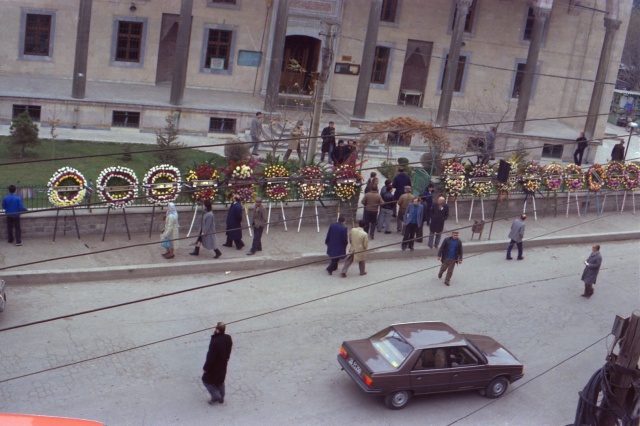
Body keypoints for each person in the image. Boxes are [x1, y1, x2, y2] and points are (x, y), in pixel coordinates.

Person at [202, 322, 233, 405]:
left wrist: (206, 368)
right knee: (220, 380)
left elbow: (210, 357)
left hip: (214, 366)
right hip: (223, 364)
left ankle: (216, 396)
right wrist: (227, 358)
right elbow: (229, 349)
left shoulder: (215, 342)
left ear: (217, 330)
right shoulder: (228, 338)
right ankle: (222, 396)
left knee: (206, 380)